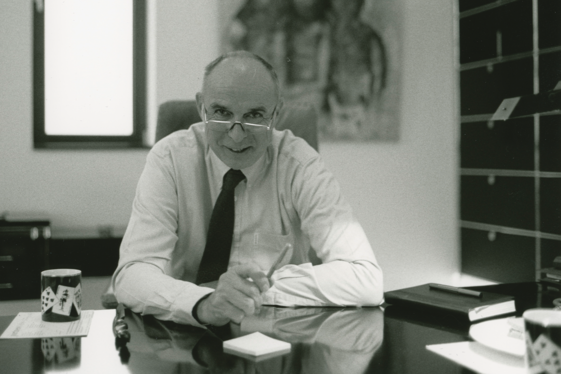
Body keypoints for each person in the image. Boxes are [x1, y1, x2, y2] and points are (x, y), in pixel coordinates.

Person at [112, 50, 382, 327]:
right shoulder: (169, 159)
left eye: (254, 115)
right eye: (221, 113)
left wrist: (251, 291)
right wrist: (203, 302)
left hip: (275, 343)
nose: (237, 134)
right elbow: (132, 274)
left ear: (275, 114)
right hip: (183, 335)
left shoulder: (301, 165)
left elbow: (365, 278)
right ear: (200, 108)